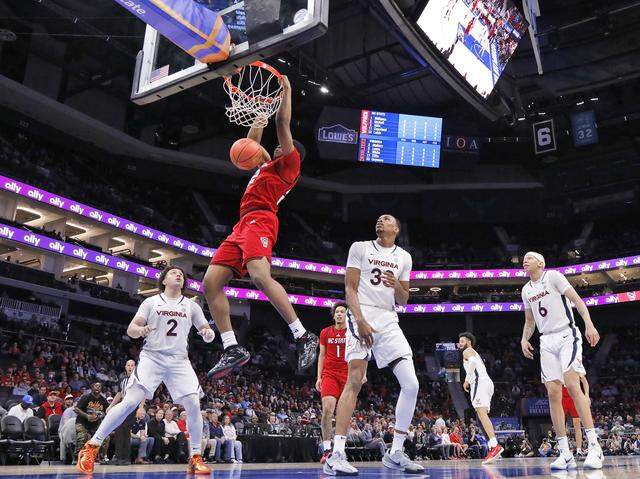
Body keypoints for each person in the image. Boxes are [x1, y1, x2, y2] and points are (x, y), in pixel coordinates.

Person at [203, 75, 318, 379]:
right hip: (242, 224)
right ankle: (231, 347)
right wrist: (259, 114)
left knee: (258, 276)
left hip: (262, 220)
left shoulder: (289, 165)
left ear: (288, 151)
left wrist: (286, 94)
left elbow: (282, 126)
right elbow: (250, 144)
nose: (276, 147)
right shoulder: (265, 164)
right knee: (210, 283)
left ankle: (303, 334)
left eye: (281, 146)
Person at [76, 265, 215, 474]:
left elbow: (206, 329)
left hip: (179, 360)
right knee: (130, 402)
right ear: (164, 281)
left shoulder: (192, 306)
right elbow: (131, 329)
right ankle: (91, 447)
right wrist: (140, 330)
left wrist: (207, 333)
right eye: (173, 273)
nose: (179, 274)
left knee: (194, 404)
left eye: (182, 274)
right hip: (153, 357)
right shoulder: (151, 302)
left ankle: (195, 456)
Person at [324, 214, 423, 475]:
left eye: (387, 219)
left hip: (389, 318)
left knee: (411, 384)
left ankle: (396, 451)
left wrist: (396, 286)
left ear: (397, 228)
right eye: (378, 219)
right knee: (354, 381)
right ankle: (336, 454)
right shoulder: (360, 247)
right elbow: (349, 288)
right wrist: (358, 319)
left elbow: (404, 300)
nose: (381, 221)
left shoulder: (404, 257)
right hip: (362, 312)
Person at [520, 251, 603, 470]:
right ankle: (565, 453)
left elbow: (576, 300)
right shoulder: (526, 290)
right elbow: (530, 321)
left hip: (567, 335)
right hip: (546, 341)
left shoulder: (554, 277)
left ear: (541, 263)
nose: (524, 260)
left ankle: (594, 446)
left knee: (572, 384)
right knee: (553, 393)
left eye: (529, 257)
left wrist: (589, 324)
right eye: (524, 258)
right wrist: (523, 339)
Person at [457, 332, 503, 464]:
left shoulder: (468, 351)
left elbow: (471, 363)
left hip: (479, 382)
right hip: (486, 383)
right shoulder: (474, 352)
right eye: (459, 341)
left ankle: (495, 446)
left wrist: (466, 379)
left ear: (469, 342)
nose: (460, 343)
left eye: (462, 341)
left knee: (481, 415)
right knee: (481, 417)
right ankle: (493, 446)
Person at [316, 301, 348, 463]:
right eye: (337, 312)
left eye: (342, 312)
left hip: (348, 375)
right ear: (334, 315)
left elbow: (362, 353)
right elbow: (321, 355)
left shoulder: (352, 332)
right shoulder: (325, 332)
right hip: (329, 374)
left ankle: (339, 449)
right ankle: (327, 448)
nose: (339, 314)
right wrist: (319, 377)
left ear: (347, 315)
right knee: (328, 410)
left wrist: (362, 374)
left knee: (343, 414)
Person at [74, 382, 109, 461]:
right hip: (82, 422)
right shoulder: (86, 397)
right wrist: (87, 416)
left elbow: (107, 411)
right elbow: (76, 409)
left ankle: (101, 458)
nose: (98, 387)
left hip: (95, 423)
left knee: (105, 438)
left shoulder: (103, 400)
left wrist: (101, 415)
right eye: (96, 386)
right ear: (92, 387)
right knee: (82, 437)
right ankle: (77, 458)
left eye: (99, 386)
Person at [561, 374, 590, 456]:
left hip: (573, 397)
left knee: (577, 425)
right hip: (562, 398)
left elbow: (584, 381)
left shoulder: (574, 366)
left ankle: (579, 450)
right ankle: (564, 451)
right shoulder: (558, 366)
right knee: (560, 427)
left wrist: (586, 395)